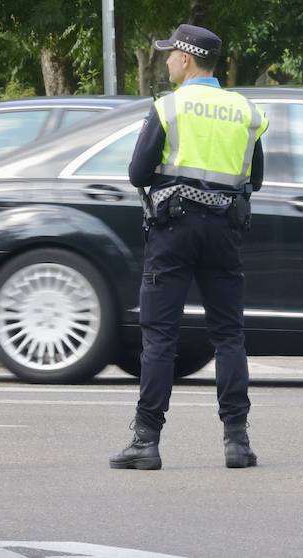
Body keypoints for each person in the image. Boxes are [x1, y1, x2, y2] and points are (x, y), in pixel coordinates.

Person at [109, 24, 268, 472]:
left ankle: (146, 441)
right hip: (224, 233)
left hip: (173, 231)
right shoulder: (247, 112)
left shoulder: (169, 107)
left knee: (160, 336)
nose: (165, 61)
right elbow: (254, 179)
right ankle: (237, 441)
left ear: (186, 59)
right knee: (229, 335)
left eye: (169, 54)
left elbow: (139, 173)